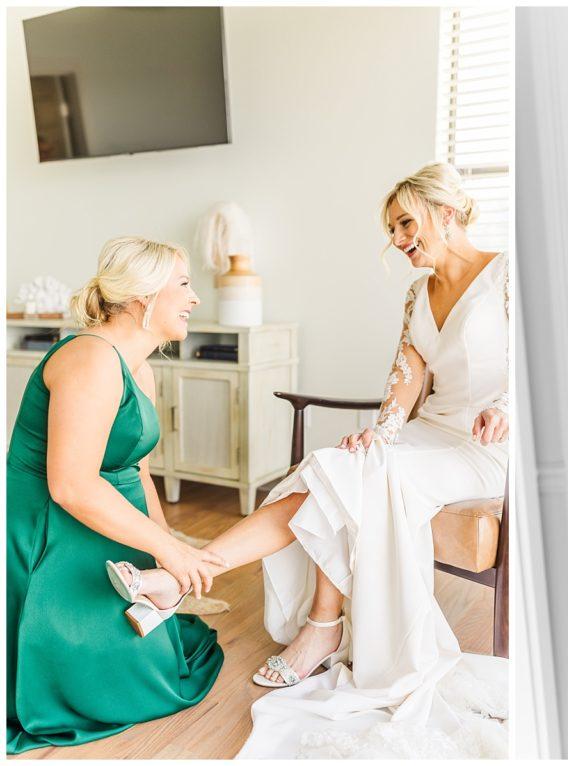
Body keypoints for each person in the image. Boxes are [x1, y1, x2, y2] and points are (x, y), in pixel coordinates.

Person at [106, 162, 510, 757]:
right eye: (392, 229)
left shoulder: (507, 275)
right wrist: (381, 435)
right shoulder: (417, 295)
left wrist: (506, 405)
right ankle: (227, 593)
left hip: (487, 445)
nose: (397, 239)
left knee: (357, 474)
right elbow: (407, 376)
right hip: (426, 434)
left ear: (446, 213)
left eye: (405, 224)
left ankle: (257, 604)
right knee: (337, 463)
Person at [6, 237, 225, 753]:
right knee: (119, 687)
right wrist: (170, 550)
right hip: (51, 532)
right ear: (142, 294)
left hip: (109, 525)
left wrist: (168, 554)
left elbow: (138, 474)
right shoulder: (89, 358)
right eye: (184, 284)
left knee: (160, 665)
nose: (195, 298)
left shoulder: (139, 368)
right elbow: (71, 485)